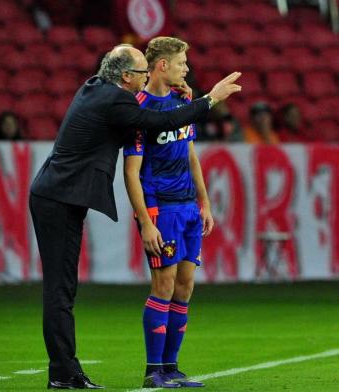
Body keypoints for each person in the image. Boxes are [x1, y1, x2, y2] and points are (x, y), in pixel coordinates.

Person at [29, 44, 241, 390]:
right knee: (59, 291)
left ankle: (66, 370)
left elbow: (163, 121)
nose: (146, 78)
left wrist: (178, 94)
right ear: (126, 76)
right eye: (142, 72)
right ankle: (63, 373)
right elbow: (159, 121)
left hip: (60, 195)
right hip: (58, 198)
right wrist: (209, 100)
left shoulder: (96, 87)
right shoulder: (117, 101)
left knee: (64, 289)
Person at [123, 37, 220, 389]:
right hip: (160, 209)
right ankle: (153, 372)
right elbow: (131, 172)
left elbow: (191, 154)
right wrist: (146, 222)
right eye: (181, 63)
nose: (186, 69)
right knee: (162, 285)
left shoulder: (182, 102)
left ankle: (172, 367)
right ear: (162, 65)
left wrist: (204, 202)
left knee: (185, 286)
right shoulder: (140, 109)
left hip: (188, 208)